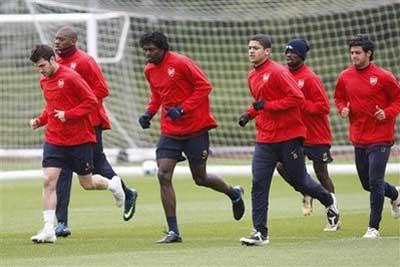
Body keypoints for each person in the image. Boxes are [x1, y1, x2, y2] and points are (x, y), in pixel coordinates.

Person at [138, 32, 245, 243]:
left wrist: (183, 109)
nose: (148, 54)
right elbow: (157, 96)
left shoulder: (181, 62)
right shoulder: (149, 70)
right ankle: (173, 231)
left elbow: (205, 86)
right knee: (163, 174)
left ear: (163, 49)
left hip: (195, 128)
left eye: (152, 49)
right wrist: (149, 113)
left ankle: (233, 193)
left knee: (200, 178)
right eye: (145, 50)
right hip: (170, 131)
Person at [238, 34, 340, 246]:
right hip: (265, 138)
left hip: (289, 137)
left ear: (267, 51)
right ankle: (260, 232)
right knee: (258, 182)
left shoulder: (278, 72)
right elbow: (260, 103)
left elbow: (296, 98)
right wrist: (249, 114)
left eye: (255, 48)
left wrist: (267, 106)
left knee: (301, 181)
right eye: (249, 47)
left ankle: (328, 199)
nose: (250, 51)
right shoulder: (252, 76)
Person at [29, 44, 125, 243]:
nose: (41, 70)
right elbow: (51, 107)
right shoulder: (44, 81)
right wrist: (40, 120)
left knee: (86, 183)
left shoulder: (72, 77)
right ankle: (48, 228)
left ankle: (113, 185)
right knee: (48, 180)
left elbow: (91, 101)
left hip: (79, 139)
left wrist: (69, 115)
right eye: (38, 67)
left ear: (53, 59)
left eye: (43, 65)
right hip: (54, 139)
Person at [53, 26, 138, 237]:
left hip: (89, 122)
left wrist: (78, 106)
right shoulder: (56, 63)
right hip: (67, 124)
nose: (56, 42)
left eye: (61, 39)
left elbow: (102, 89)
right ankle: (61, 222)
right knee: (62, 170)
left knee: (97, 164)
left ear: (73, 41)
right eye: (55, 39)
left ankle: (127, 193)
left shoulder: (85, 61)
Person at [334, 34, 400, 239]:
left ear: (368, 54)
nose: (353, 56)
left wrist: (386, 113)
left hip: (381, 136)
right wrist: (342, 109)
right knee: (367, 184)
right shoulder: (345, 76)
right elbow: (339, 97)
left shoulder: (384, 76)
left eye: (358, 53)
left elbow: (397, 99)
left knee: (375, 180)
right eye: (352, 52)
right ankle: (396, 194)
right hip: (358, 137)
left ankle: (373, 227)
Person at [275, 39, 336, 216]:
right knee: (281, 166)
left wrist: (299, 104)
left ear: (301, 56)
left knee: (321, 173)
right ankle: (306, 192)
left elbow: (324, 107)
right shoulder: (282, 74)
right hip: (293, 133)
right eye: (286, 52)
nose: (288, 55)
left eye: (292, 52)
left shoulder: (310, 78)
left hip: (316, 134)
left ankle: (332, 210)